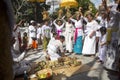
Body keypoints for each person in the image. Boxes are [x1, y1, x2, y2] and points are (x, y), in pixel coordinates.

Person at [103, 0, 120, 72]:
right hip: (110, 31)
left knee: (115, 50)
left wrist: (105, 5)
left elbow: (113, 12)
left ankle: (114, 67)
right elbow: (108, 14)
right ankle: (108, 65)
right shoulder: (113, 8)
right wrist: (105, 5)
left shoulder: (117, 11)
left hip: (116, 32)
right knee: (109, 49)